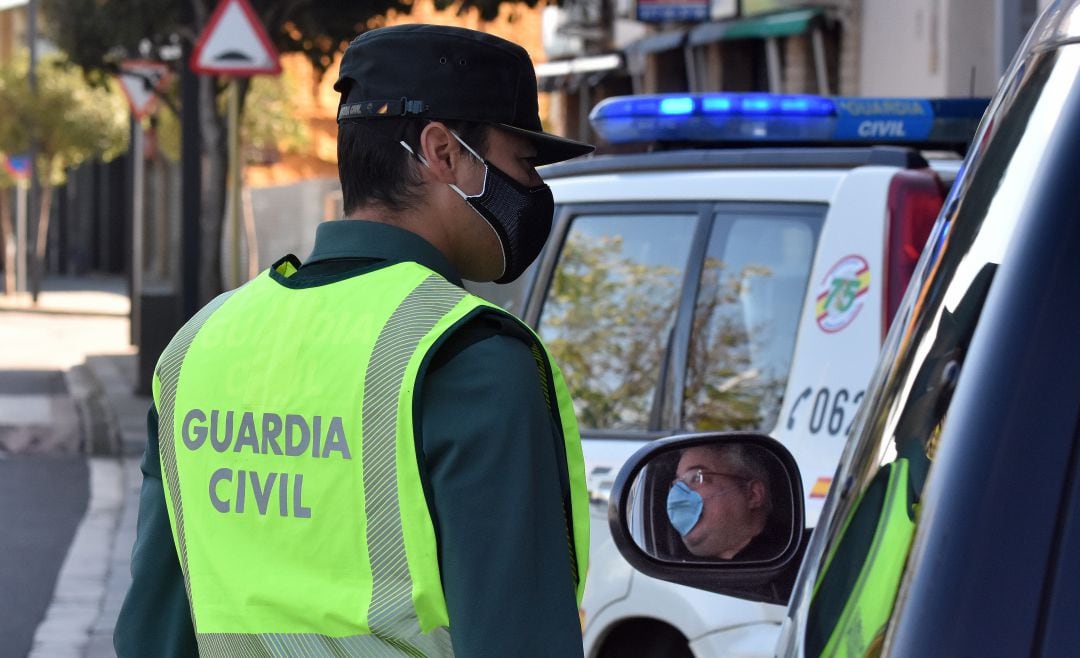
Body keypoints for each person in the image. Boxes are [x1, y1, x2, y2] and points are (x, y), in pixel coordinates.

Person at [113, 24, 593, 657]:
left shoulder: (199, 345)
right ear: (442, 152)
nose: (533, 191)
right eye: (523, 163)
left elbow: (153, 631)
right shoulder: (469, 361)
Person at [666, 444, 775, 560]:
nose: (677, 494)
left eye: (697, 478)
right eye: (677, 484)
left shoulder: (777, 554)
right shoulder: (685, 564)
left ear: (753, 495)